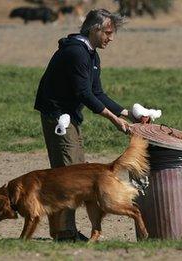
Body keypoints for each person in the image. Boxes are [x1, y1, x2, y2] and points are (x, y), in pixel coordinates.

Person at [34, 9, 137, 242]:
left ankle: (64, 230)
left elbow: (97, 93)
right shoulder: (76, 53)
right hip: (59, 117)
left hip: (70, 117)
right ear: (94, 29)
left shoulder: (91, 55)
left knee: (75, 171)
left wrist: (127, 113)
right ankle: (64, 233)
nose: (111, 38)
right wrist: (113, 120)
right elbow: (84, 95)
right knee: (68, 177)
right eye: (108, 33)